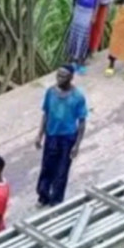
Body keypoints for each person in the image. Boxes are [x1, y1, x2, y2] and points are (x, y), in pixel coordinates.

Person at [36, 66, 87, 208]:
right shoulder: (50, 93)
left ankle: (56, 200)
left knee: (62, 171)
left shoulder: (77, 97)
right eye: (58, 75)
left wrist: (77, 145)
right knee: (47, 167)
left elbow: (82, 122)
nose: (59, 78)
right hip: (51, 135)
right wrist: (40, 135)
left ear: (71, 77)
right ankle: (43, 196)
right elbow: (46, 114)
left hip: (68, 138)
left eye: (63, 76)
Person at [61, 0, 110, 73]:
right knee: (75, 32)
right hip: (79, 8)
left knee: (84, 34)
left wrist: (94, 15)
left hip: (88, 11)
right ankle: (73, 58)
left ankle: (80, 59)